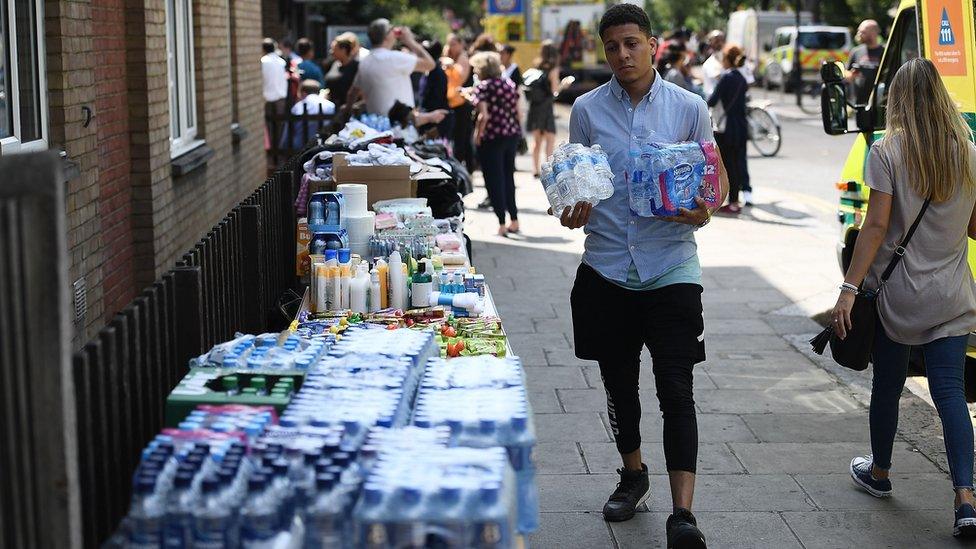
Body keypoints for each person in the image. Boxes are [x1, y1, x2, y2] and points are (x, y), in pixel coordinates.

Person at [561, 5, 727, 547]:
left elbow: (712, 187)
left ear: (653, 45)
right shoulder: (586, 110)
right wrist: (573, 206)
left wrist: (700, 209)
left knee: (676, 388)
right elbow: (580, 182)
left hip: (671, 265)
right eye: (612, 46)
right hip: (607, 266)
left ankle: (684, 514)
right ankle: (633, 475)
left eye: (632, 43)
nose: (622, 55)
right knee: (619, 386)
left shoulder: (689, 107)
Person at [830, 58, 976, 539]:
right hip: (951, 295)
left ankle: (881, 472)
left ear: (897, 100)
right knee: (950, 393)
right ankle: (965, 500)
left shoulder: (886, 152)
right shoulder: (968, 152)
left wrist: (849, 290)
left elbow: (874, 227)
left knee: (887, 385)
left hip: (898, 297)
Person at [471, 51, 522, 237]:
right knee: (508, 178)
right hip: (511, 134)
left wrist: (478, 135)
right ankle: (514, 220)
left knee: (494, 180)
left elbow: (483, 116)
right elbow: (518, 111)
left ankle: (501, 223)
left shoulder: (483, 87)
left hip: (491, 137)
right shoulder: (508, 84)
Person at [354, 19, 436, 115]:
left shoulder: (365, 61)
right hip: (399, 124)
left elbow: (353, 91)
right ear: (387, 36)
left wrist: (347, 109)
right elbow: (430, 64)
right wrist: (410, 41)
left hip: (376, 122)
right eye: (391, 29)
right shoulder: (395, 58)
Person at [708, 44, 751, 213]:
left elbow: (712, 101)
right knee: (738, 163)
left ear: (727, 60)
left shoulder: (726, 78)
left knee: (728, 166)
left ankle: (733, 202)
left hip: (726, 129)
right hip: (741, 126)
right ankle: (735, 200)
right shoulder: (742, 78)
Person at [524, 41, 561, 178]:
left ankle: (535, 170)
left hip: (535, 107)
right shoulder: (554, 68)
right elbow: (554, 91)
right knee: (550, 140)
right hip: (546, 107)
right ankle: (548, 169)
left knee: (536, 141)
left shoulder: (537, 66)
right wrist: (564, 85)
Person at [445, 34, 475, 172]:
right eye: (449, 44)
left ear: (460, 44)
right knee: (460, 137)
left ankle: (465, 169)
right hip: (454, 103)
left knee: (461, 138)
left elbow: (461, 77)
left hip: (462, 104)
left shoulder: (462, 58)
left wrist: (451, 67)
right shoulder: (451, 57)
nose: (451, 47)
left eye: (453, 44)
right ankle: (468, 168)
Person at [282, 79, 336, 149]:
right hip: (324, 144)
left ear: (303, 93)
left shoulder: (297, 107)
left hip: (299, 146)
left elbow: (288, 131)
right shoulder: (330, 105)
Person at [419, 40, 453, 138]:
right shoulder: (427, 72)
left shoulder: (438, 74)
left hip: (436, 121)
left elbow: (436, 100)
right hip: (427, 118)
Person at [846, 19, 885, 106]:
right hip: (859, 103)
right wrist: (852, 75)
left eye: (863, 32)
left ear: (873, 33)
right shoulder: (856, 51)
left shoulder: (886, 52)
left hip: (880, 102)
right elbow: (847, 74)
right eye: (858, 31)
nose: (859, 35)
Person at [324, 32, 360, 109]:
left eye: (334, 49)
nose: (331, 52)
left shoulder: (356, 67)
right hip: (332, 108)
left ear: (343, 50)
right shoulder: (334, 65)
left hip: (348, 109)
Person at [261, 38, 288, 114]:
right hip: (281, 97)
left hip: (267, 98)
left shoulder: (263, 61)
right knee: (279, 124)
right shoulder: (281, 62)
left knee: (269, 123)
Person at [701, 30, 725, 98]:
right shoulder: (709, 63)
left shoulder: (728, 59)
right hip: (714, 102)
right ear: (710, 42)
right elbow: (720, 79)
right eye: (716, 40)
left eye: (722, 40)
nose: (720, 43)